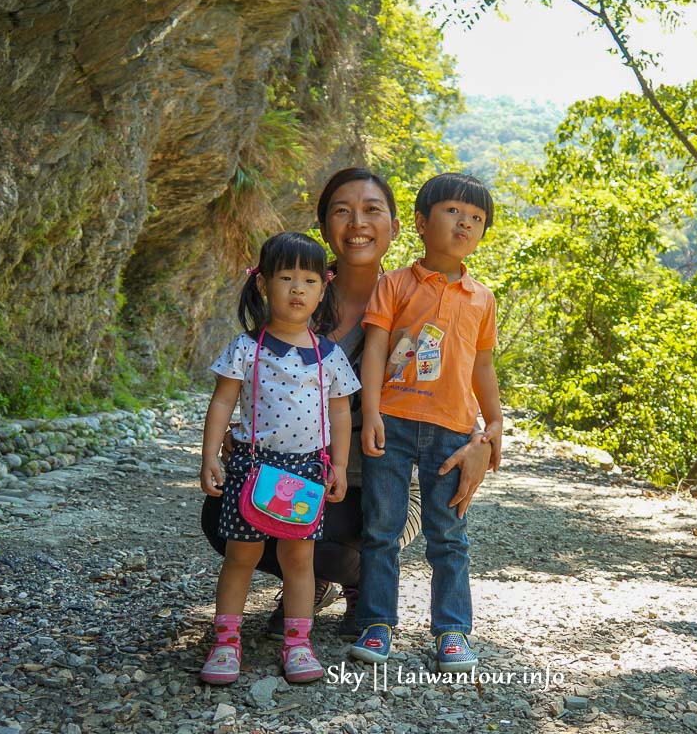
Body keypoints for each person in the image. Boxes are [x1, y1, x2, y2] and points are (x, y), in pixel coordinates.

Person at [200, 168, 493, 641]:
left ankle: (356, 584)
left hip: (390, 482)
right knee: (227, 513)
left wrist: (483, 437)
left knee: (363, 528)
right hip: (303, 471)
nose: (357, 221)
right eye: (342, 210)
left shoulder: (412, 296)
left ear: (399, 227)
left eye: (372, 210)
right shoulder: (299, 296)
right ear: (324, 227)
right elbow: (253, 379)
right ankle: (312, 580)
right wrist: (242, 439)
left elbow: (467, 372)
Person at [348, 172, 502, 674]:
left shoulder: (481, 297)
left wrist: (494, 421)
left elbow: (482, 365)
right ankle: (377, 623)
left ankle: (452, 631)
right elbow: (374, 350)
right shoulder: (394, 284)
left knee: (449, 534)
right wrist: (370, 411)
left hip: (454, 429)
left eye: (477, 218)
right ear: (419, 221)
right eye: (454, 211)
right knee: (381, 528)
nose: (466, 224)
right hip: (391, 421)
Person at [198, 232, 359, 685]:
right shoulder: (246, 348)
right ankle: (226, 642)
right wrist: (210, 454)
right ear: (263, 284)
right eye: (285, 277)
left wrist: (340, 466)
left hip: (308, 470)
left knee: (299, 559)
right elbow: (222, 402)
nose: (297, 289)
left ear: (323, 289)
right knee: (241, 557)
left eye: (309, 279)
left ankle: (298, 643)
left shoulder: (329, 356)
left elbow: (341, 411)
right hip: (250, 466)